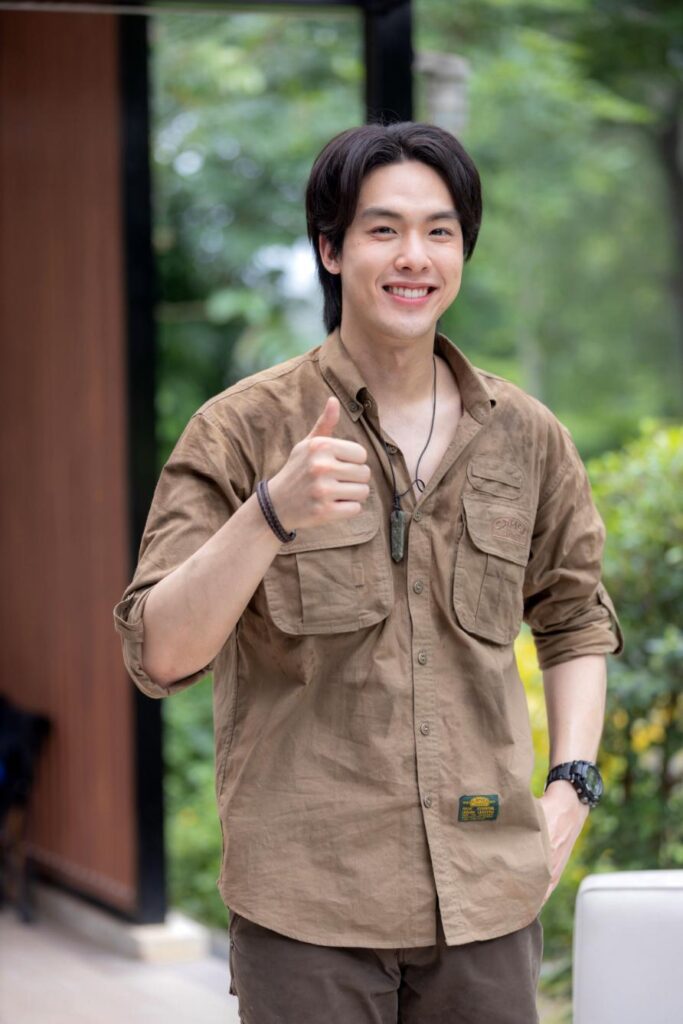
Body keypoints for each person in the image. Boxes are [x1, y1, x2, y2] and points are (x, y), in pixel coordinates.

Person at [114, 121, 624, 1023]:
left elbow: (575, 619)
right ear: (330, 248)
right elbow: (159, 653)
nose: (413, 256)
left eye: (439, 231)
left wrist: (570, 788)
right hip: (306, 912)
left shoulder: (527, 436)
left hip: (486, 903)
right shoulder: (239, 430)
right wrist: (270, 513)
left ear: (462, 250)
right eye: (383, 229)